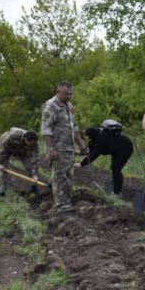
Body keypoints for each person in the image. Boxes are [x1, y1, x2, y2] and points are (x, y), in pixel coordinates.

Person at [41, 81, 87, 213]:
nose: (69, 96)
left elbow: (74, 128)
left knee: (69, 176)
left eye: (70, 94)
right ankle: (61, 205)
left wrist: (82, 145)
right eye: (66, 94)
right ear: (58, 92)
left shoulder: (69, 105)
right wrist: (51, 149)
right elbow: (45, 129)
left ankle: (67, 202)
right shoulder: (51, 106)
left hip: (69, 148)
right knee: (60, 177)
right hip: (58, 148)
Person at [74, 119, 134, 195]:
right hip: (116, 149)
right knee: (115, 168)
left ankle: (117, 193)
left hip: (125, 148)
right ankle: (116, 187)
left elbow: (95, 153)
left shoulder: (102, 137)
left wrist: (81, 164)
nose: (89, 140)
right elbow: (89, 151)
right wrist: (78, 153)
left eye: (89, 139)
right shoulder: (93, 138)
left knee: (115, 168)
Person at [0, 127, 40, 195]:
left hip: (21, 151)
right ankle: (1, 191)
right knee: (4, 169)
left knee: (29, 167)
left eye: (33, 145)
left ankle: (33, 187)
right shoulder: (13, 136)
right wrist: (1, 163)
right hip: (6, 148)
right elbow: (2, 149)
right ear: (26, 139)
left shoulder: (34, 145)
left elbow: (35, 159)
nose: (31, 146)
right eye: (30, 144)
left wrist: (35, 174)